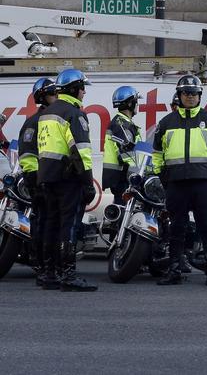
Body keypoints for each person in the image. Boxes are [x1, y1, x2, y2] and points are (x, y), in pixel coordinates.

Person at [152, 74, 207, 287]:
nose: (190, 97)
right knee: (177, 228)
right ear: (179, 95)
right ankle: (174, 270)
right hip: (176, 183)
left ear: (200, 95)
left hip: (204, 183)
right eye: (186, 93)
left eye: (194, 93)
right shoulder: (166, 122)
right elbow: (157, 152)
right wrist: (161, 174)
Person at [37, 69, 98, 292]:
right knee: (69, 225)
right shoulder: (74, 114)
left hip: (47, 177)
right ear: (74, 89)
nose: (84, 92)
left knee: (51, 224)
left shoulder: (47, 113)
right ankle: (68, 275)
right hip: (68, 177)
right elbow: (81, 151)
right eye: (82, 87)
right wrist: (87, 182)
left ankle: (49, 274)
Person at [18, 78, 58, 288]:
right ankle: (42, 266)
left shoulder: (54, 118)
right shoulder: (34, 122)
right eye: (52, 93)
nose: (56, 96)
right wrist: (35, 180)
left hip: (53, 181)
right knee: (42, 223)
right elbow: (27, 154)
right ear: (42, 97)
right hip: (40, 182)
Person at [102, 86, 142, 201]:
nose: (137, 105)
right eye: (136, 101)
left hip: (123, 176)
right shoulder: (121, 124)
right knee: (124, 213)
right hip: (123, 178)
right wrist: (141, 171)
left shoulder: (123, 123)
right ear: (130, 103)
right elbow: (127, 152)